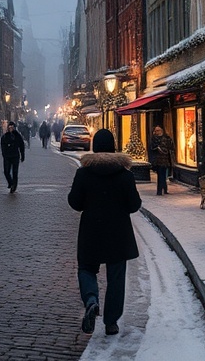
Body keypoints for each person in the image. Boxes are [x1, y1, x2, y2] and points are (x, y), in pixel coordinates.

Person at [68, 129, 142, 336]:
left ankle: (91, 299)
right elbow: (134, 205)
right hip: (118, 232)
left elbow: (75, 203)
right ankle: (111, 322)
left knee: (86, 268)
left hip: (91, 230)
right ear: (113, 146)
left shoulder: (83, 173)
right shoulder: (125, 175)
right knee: (117, 277)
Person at [0, 120, 26, 193]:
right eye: (9, 127)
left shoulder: (17, 135)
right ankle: (10, 182)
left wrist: (22, 155)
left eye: (12, 127)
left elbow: (21, 146)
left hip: (15, 156)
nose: (11, 128)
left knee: (15, 172)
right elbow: (2, 146)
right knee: (6, 171)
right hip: (7, 157)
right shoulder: (5, 136)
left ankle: (14, 186)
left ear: (14, 127)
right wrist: (4, 154)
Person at [149, 125, 175, 196]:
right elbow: (152, 148)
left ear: (162, 131)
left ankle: (164, 189)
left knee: (164, 175)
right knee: (160, 175)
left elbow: (171, 147)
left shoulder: (167, 138)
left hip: (165, 159)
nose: (157, 132)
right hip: (158, 160)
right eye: (156, 131)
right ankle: (159, 191)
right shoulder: (154, 139)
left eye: (158, 130)